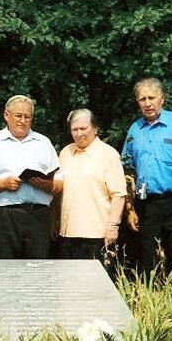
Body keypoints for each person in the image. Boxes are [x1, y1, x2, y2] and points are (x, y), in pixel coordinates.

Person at [121, 78, 172, 275]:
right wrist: (130, 207)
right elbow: (127, 168)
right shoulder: (134, 129)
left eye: (151, 98)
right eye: (142, 99)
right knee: (147, 257)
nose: (147, 103)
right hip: (146, 204)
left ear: (162, 99)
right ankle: (150, 299)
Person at [0, 95, 61, 259]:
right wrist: (3, 184)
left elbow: (60, 183)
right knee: (4, 269)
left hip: (38, 217)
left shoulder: (44, 143)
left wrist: (45, 184)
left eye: (27, 117)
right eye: (18, 116)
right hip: (3, 217)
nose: (22, 121)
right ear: (6, 115)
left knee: (38, 268)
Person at [58, 109, 127, 262]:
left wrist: (112, 226)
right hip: (67, 234)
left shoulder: (109, 155)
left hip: (96, 234)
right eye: (74, 129)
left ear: (95, 129)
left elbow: (118, 194)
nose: (79, 133)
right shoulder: (65, 153)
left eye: (83, 128)